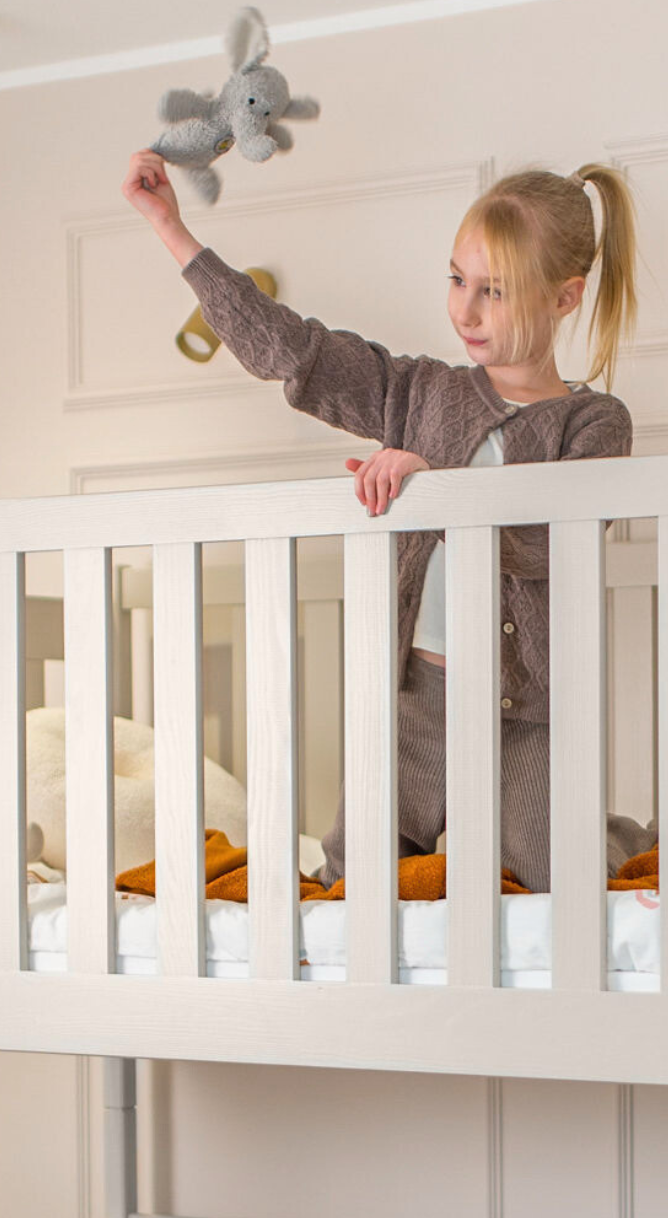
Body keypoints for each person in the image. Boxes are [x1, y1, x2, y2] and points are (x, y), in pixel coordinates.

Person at [121, 148, 639, 892]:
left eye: (494, 291)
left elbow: (553, 544)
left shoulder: (594, 423)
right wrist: (173, 230)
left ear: (565, 298)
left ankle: (616, 836)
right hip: (413, 697)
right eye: (457, 280)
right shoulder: (421, 392)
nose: (465, 310)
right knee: (353, 883)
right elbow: (294, 353)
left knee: (555, 885)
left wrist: (435, 490)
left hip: (527, 711)